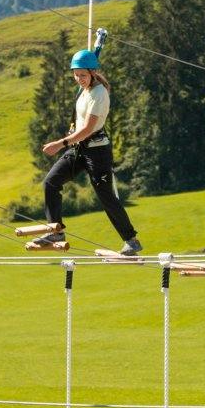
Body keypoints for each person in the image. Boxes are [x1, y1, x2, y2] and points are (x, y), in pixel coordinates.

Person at [29, 49, 142, 257]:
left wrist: (60, 143)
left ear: (92, 73)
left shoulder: (100, 94)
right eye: (75, 74)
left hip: (97, 152)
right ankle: (56, 231)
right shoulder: (85, 90)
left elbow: (88, 129)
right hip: (79, 148)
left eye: (82, 75)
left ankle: (131, 241)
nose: (78, 79)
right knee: (51, 182)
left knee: (105, 196)